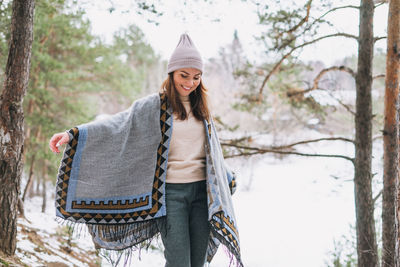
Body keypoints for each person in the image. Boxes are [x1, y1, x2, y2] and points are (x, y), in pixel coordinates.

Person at [49, 33, 243, 267]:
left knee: (198, 262)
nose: (189, 82)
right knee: (179, 262)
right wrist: (73, 134)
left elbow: (210, 154)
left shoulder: (202, 111)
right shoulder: (154, 106)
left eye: (196, 77)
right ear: (172, 74)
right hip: (171, 196)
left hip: (203, 195)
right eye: (184, 75)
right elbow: (116, 125)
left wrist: (226, 175)